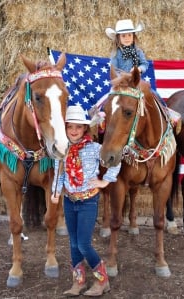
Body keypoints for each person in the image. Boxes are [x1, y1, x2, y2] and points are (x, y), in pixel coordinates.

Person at [51, 105, 121, 297]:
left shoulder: (94, 149)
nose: (74, 131)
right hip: (69, 200)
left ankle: (102, 279)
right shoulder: (61, 149)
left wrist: (104, 181)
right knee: (73, 244)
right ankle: (78, 281)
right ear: (65, 128)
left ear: (85, 129)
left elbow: (115, 159)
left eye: (78, 127)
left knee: (83, 244)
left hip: (88, 202)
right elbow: (58, 173)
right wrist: (55, 192)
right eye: (70, 127)